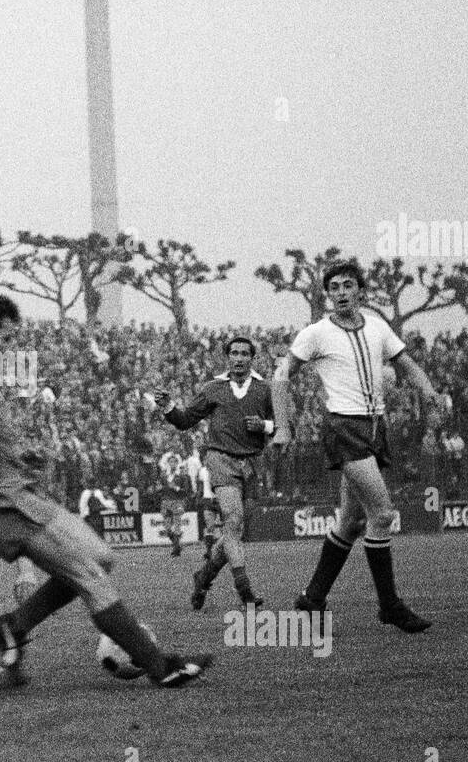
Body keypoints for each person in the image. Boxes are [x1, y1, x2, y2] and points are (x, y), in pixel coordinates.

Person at [0, 293, 211, 691]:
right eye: (6, 338)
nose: (9, 348)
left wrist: (17, 454)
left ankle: (14, 626)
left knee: (100, 557)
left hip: (15, 488)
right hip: (1, 500)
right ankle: (161, 667)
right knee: (88, 575)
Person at [276, 262, 445, 632]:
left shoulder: (378, 327)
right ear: (327, 294)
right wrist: (283, 428)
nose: (339, 292)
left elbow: (408, 364)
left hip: (375, 426)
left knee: (351, 522)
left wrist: (429, 392)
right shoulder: (316, 333)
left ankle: (312, 598)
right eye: (333, 287)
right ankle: (390, 605)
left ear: (360, 291)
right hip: (344, 429)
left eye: (347, 285)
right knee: (382, 515)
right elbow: (280, 375)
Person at [154, 336, 273, 611]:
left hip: (252, 464)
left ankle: (203, 577)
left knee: (234, 530)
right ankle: (245, 590)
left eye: (245, 353)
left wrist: (265, 425)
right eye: (234, 353)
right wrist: (169, 406)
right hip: (220, 460)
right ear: (227, 357)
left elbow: (282, 426)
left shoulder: (265, 389)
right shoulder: (213, 388)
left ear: (252, 358)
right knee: (232, 518)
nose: (239, 358)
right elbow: (185, 421)